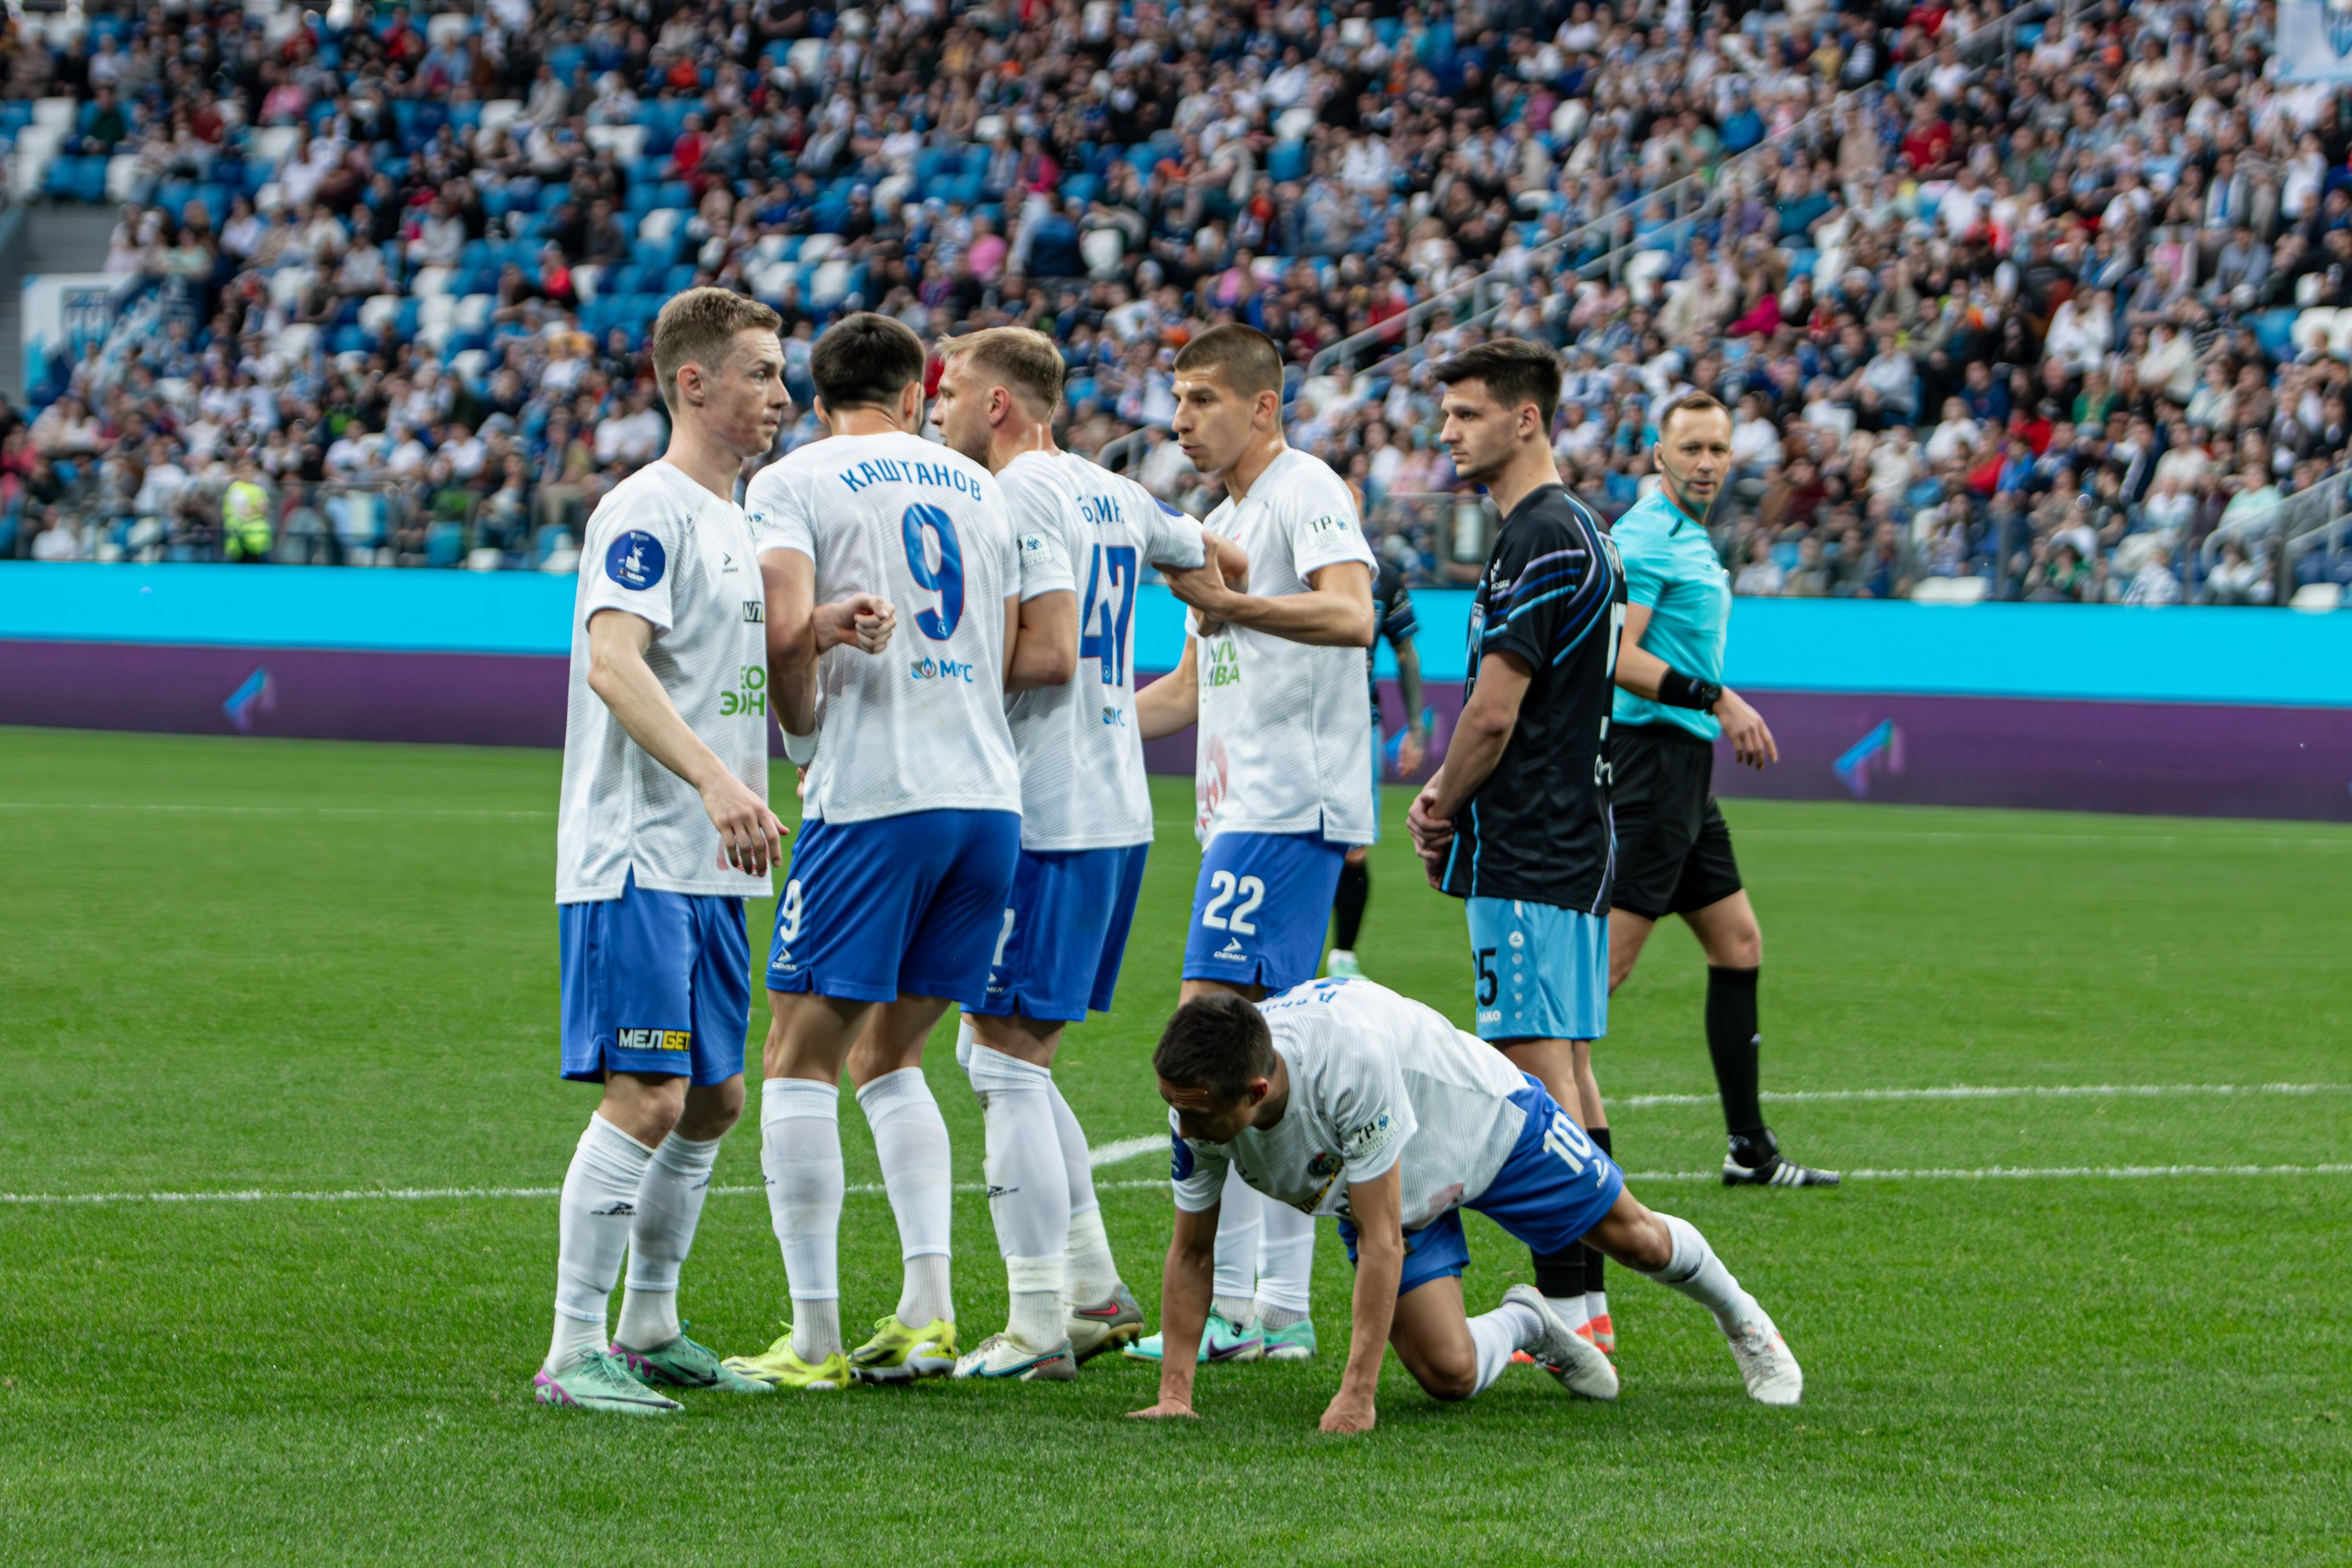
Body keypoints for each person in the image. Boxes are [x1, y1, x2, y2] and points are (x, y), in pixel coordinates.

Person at [537, 288, 851, 1415]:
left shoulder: (734, 514)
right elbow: (614, 664)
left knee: (717, 1097)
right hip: (638, 855)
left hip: (713, 862)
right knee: (650, 1095)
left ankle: (652, 1324)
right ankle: (573, 1349)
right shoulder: (642, 509)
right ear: (694, 384)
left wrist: (817, 629)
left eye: (782, 373)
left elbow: (723, 670)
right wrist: (722, 779)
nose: (783, 393)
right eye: (763, 373)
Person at [926, 326, 1235, 1381]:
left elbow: (1044, 659)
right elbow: (1214, 563)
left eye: (951, 391)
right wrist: (1218, 644)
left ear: (1000, 405)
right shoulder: (1115, 493)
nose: (938, 408)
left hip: (1048, 812)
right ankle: (1093, 1290)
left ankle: (1035, 1323)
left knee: (1005, 1061)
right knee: (997, 1051)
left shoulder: (1017, 497)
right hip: (1112, 807)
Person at [724, 312, 1024, 1393]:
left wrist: (803, 739)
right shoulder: (977, 486)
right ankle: (929, 1316)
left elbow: (783, 625)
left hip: (876, 798)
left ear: (818, 397)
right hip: (988, 803)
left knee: (796, 1059)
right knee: (887, 1057)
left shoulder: (795, 480)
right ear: (914, 392)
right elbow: (1002, 642)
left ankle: (812, 1341)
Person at [1128, 984, 1804, 1434]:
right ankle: (1529, 1321)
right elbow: (1192, 1251)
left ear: (1256, 1089)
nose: (1183, 1129)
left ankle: (1742, 1319)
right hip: (1396, 1183)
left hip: (1488, 1127)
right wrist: (1175, 1394)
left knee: (1638, 1240)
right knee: (1448, 1375)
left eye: (1197, 1114)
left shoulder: (1345, 1063)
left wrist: (1357, 1393)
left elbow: (1381, 1241)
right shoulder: (1197, 1096)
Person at [1127, 321, 1378, 1366]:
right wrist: (1072, 733)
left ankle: (1253, 1306)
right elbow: (1187, 692)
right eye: (1176, 401)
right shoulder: (1219, 520)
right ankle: (1274, 1308)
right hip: (1241, 817)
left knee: (1218, 1047)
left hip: (1287, 811)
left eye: (1199, 400)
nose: (1179, 419)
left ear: (1261, 405)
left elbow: (1351, 614)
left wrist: (1235, 603)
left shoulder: (1304, 488)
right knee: (1255, 1057)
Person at [1405, 337, 1627, 1353]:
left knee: (1532, 1083)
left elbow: (1495, 713)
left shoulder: (1536, 537)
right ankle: (1585, 1302)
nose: (1446, 432)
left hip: (1532, 842)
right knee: (1569, 1074)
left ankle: (1577, 1309)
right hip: (1576, 838)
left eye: (1464, 414)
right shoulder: (1582, 528)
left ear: (1524, 418)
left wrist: (1440, 799)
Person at [1608, 392, 1838, 1190]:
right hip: (1648, 764)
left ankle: (1749, 1147)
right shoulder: (1644, 536)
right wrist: (1721, 697)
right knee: (1599, 972)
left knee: (1738, 943)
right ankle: (1500, 1125)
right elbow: (1618, 657)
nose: (1706, 462)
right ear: (1659, 453)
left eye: (1718, 449)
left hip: (1684, 771)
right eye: (1692, 448)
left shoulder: (1692, 539)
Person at [1324, 549, 1427, 981]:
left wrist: (1417, 728)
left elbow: (1405, 650)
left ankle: (1343, 955)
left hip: (1356, 728)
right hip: (1290, 722)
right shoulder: (1291, 558)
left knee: (1353, 848)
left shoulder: (1382, 573)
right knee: (1294, 841)